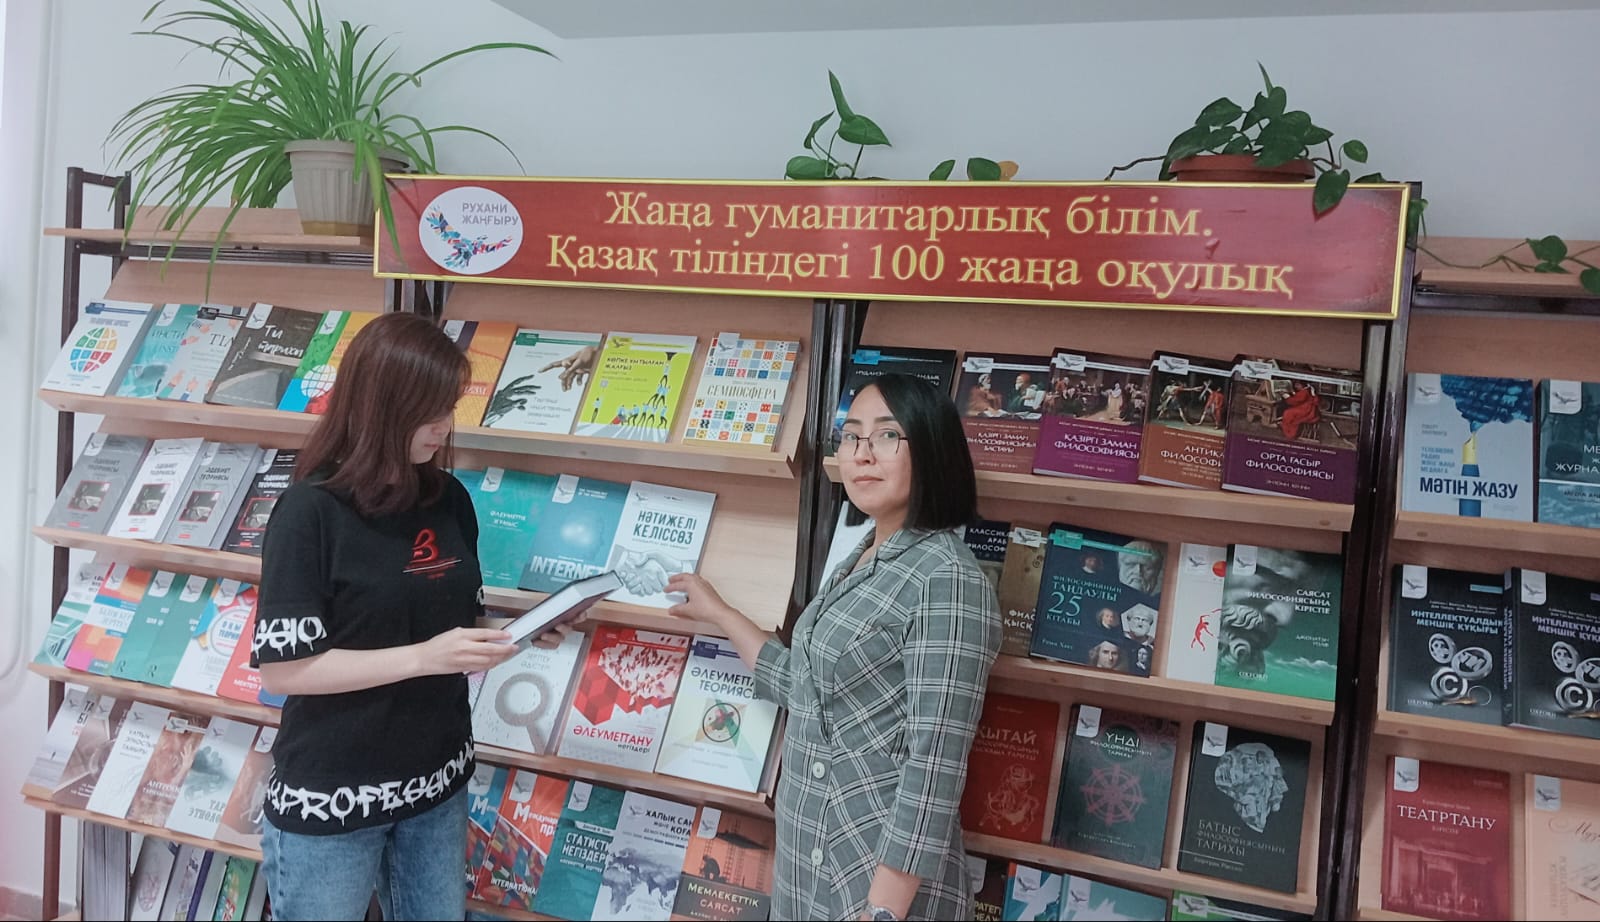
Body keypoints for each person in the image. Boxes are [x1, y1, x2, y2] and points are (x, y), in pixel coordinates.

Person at [667, 373, 1001, 921]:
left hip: (876, 880)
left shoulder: (946, 578)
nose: (862, 454)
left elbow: (935, 764)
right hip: (806, 861)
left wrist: (883, 912)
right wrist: (721, 613)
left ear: (932, 448)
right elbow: (801, 685)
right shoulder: (862, 556)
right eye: (851, 436)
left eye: (887, 435)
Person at [250, 312, 521, 921]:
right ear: (382, 408)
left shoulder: (449, 498)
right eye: (430, 412)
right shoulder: (309, 512)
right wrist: (424, 658)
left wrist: (520, 634)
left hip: (437, 781)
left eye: (449, 407)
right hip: (333, 796)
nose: (444, 426)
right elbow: (285, 671)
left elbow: (454, 625)